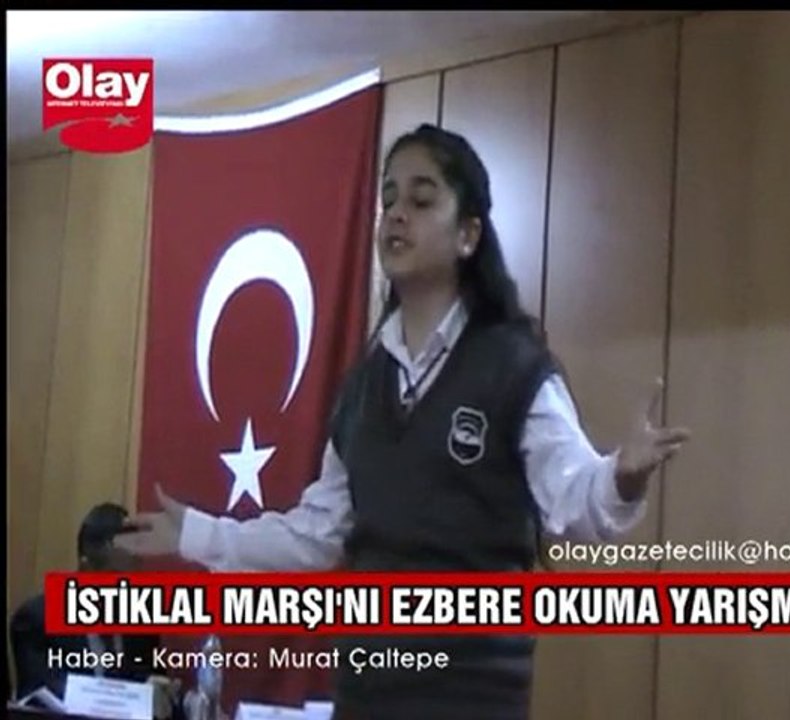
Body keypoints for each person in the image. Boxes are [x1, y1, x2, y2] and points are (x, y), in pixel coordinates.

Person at [116, 124, 691, 720]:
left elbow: (575, 503)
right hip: (366, 696)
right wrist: (198, 533)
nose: (395, 215)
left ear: (468, 235)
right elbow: (315, 535)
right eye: (388, 199)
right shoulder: (363, 389)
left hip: (473, 702)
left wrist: (622, 476)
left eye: (421, 200)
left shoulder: (513, 367)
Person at [10, 503, 180, 717]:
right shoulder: (36, 621)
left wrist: (164, 697)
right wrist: (132, 697)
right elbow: (44, 697)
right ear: (86, 570)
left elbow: (154, 695)